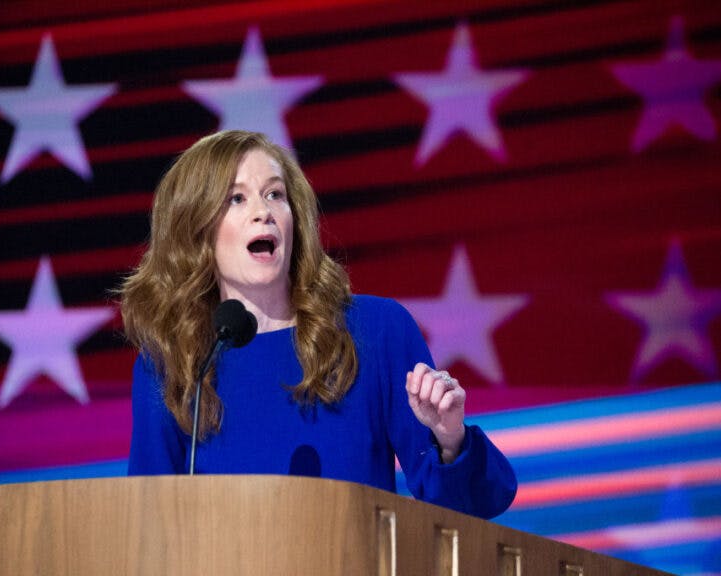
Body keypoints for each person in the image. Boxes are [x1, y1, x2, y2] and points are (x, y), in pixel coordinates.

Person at [120, 130, 516, 519]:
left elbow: (474, 508)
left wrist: (451, 440)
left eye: (275, 194)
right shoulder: (174, 363)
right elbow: (149, 527)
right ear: (196, 232)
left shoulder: (375, 332)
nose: (264, 211)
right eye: (236, 199)